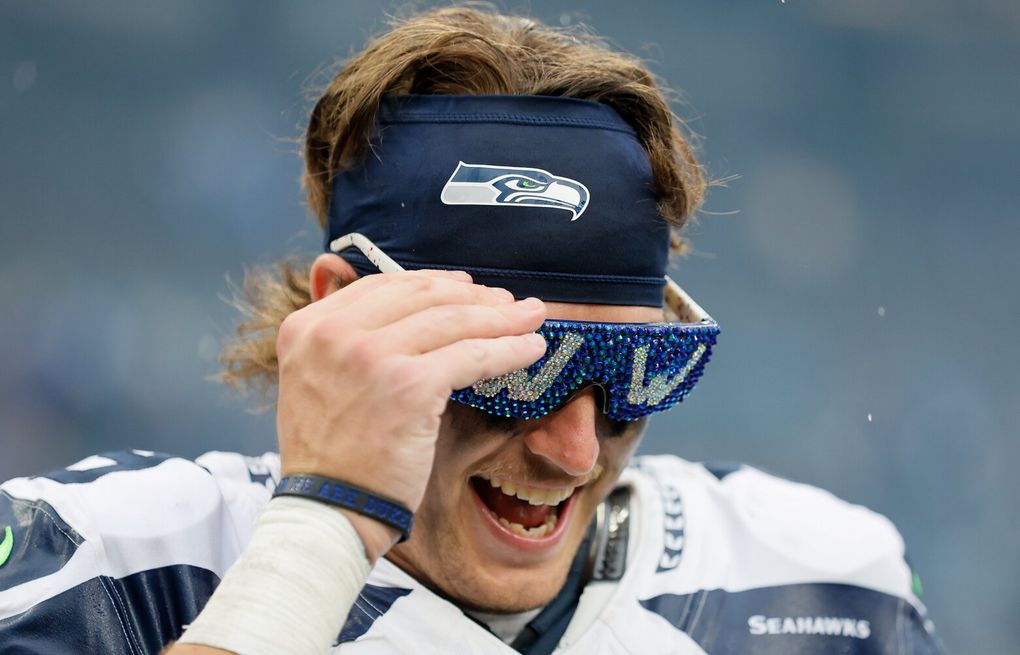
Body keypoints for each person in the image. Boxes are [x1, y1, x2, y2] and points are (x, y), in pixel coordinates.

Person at [0, 7, 944, 654]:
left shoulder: (817, 588)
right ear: (339, 314)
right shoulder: (104, 564)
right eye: (513, 369)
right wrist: (315, 543)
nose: (574, 451)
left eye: (637, 368)